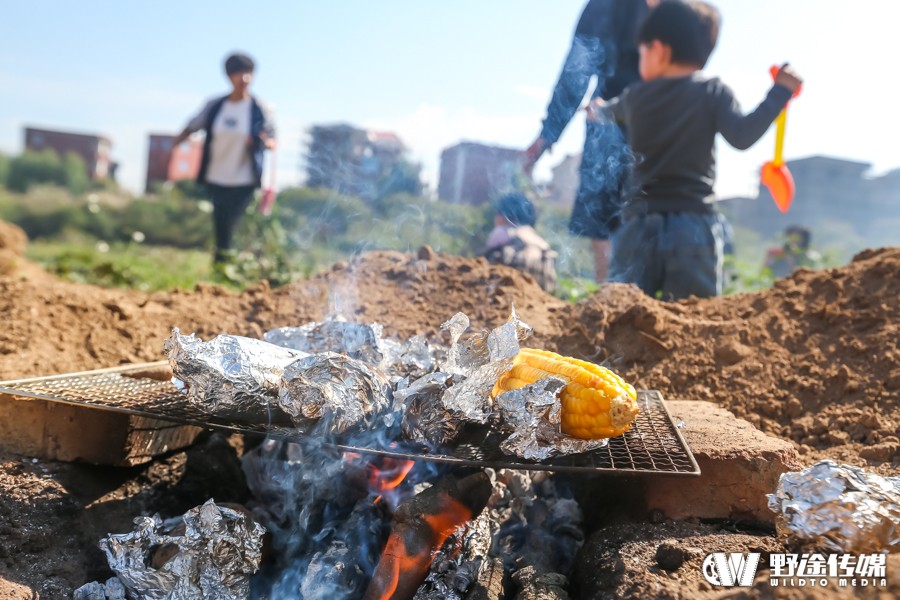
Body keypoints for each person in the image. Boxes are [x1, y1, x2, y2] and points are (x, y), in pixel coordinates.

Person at [591, 0, 803, 299]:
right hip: (692, 226)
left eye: (642, 52)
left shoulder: (635, 97)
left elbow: (603, 112)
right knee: (694, 318)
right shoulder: (713, 92)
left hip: (638, 226)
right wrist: (780, 92)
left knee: (624, 313)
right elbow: (742, 136)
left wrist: (595, 108)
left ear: (659, 50)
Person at [523, 0, 656, 283]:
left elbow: (576, 71)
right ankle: (612, 307)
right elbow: (578, 69)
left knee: (616, 225)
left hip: (636, 122)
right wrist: (548, 134)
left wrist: (547, 136)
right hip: (623, 124)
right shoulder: (605, 6)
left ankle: (618, 301)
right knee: (611, 223)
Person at [171, 52, 276, 265]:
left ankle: (231, 264)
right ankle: (222, 266)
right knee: (221, 223)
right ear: (229, 76)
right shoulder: (215, 106)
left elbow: (272, 138)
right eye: (239, 72)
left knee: (232, 222)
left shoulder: (260, 108)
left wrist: (263, 142)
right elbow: (191, 127)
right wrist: (172, 149)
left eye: (248, 72)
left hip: (244, 178)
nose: (244, 78)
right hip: (216, 175)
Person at [483, 192, 558, 293]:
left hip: (509, 289)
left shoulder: (502, 232)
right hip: (540, 290)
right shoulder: (537, 239)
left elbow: (483, 262)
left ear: (503, 215)